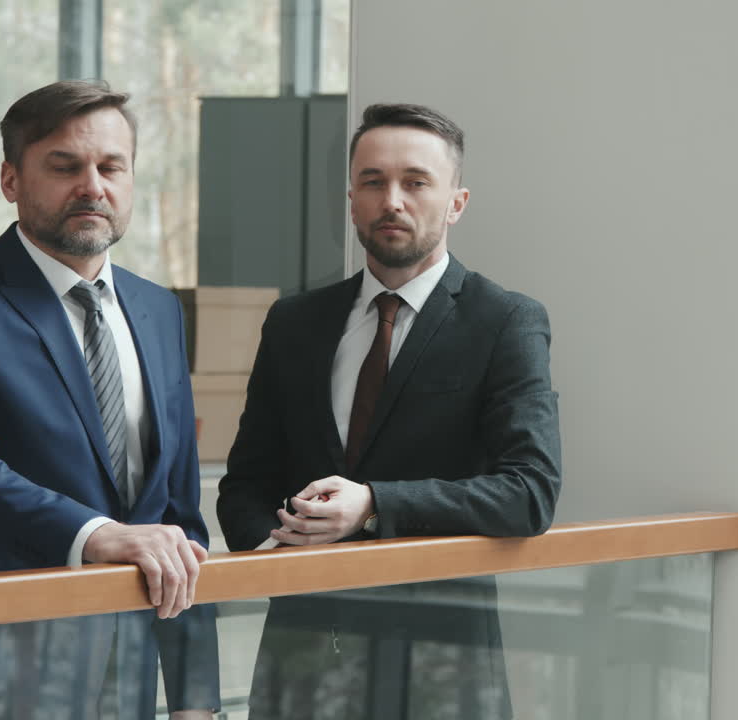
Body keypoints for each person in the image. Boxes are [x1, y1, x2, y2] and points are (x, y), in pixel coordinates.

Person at [217, 103, 562, 720]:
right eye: (373, 182)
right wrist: (276, 555)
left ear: (455, 202)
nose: (391, 200)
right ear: (351, 199)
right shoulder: (294, 323)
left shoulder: (505, 321)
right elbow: (245, 482)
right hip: (302, 656)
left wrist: (374, 504)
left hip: (438, 662)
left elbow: (529, 490)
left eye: (415, 182)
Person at [0, 80, 218, 719]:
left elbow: (179, 516)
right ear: (11, 180)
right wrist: (99, 535)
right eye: (65, 166)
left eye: (110, 167)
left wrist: (193, 696)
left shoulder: (159, 310)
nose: (92, 186)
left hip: (128, 669)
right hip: (1, 663)